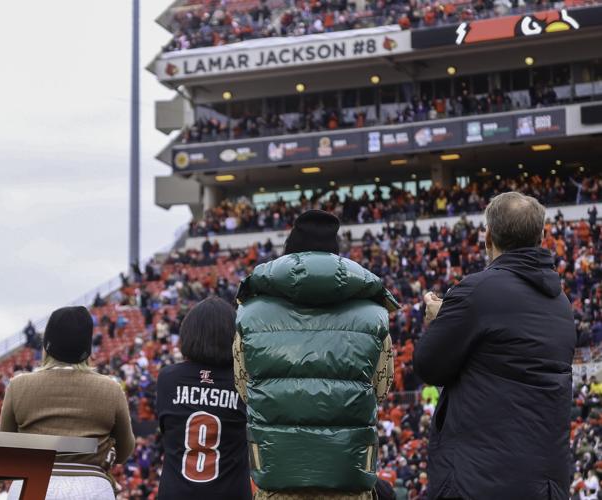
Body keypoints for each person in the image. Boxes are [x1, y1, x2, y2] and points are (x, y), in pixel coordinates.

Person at [414, 192, 576, 499]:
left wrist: (441, 317)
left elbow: (429, 366)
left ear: (488, 237)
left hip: (480, 480)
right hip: (544, 483)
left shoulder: (477, 290)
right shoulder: (562, 303)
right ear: (539, 237)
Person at [234, 210, 399, 499]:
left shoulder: (250, 313)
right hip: (347, 473)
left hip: (278, 475)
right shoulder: (374, 315)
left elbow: (244, 386)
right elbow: (380, 388)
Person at [0, 306, 135, 500]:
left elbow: (6, 448)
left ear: (46, 344)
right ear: (87, 347)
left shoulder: (18, 385)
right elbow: (124, 451)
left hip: (31, 482)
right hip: (91, 487)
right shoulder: (110, 388)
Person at [156, 297, 251, 500]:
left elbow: (165, 429)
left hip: (176, 493)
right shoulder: (245, 380)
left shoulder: (168, 378)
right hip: (230, 493)